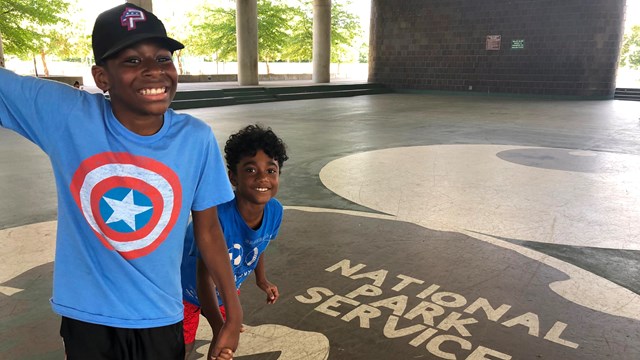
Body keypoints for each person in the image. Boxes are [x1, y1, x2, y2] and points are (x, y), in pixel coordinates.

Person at [0, 4, 241, 360]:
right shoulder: (68, 116)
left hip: (160, 317)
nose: (153, 71)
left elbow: (208, 233)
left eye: (162, 58)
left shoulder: (196, 138)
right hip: (87, 318)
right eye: (131, 61)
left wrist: (232, 317)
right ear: (102, 77)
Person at [181, 124, 289, 359]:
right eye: (251, 170)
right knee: (184, 346)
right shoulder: (216, 217)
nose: (263, 178)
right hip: (185, 292)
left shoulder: (275, 211)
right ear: (232, 177)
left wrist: (262, 279)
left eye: (271, 170)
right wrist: (221, 324)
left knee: (223, 346)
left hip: (224, 290)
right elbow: (204, 278)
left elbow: (259, 244)